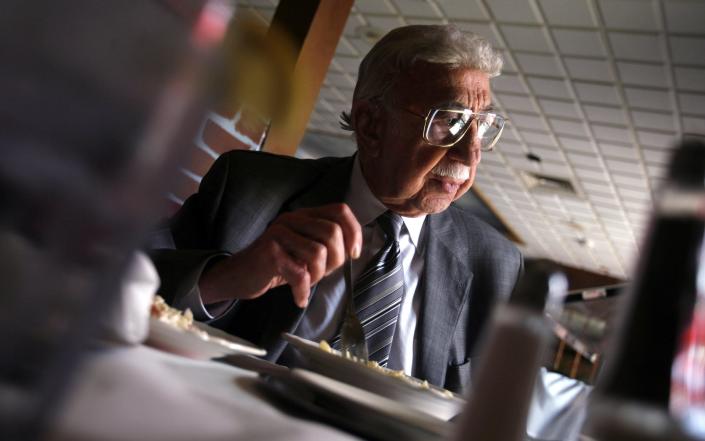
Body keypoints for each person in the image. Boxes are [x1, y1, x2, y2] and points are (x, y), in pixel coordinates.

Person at [148, 24, 523, 394]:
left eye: (482, 124)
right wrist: (227, 277)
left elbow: (488, 408)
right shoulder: (249, 187)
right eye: (449, 121)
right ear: (370, 124)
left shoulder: (495, 264)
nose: (469, 154)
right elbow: (131, 279)